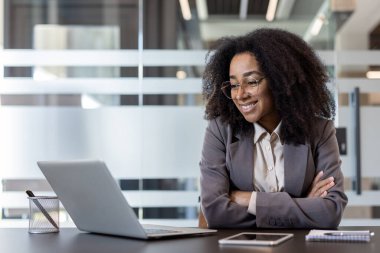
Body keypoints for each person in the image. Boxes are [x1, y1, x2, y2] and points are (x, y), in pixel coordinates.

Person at [199, 28, 348, 229]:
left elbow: (331, 212)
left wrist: (250, 200)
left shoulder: (319, 130)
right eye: (234, 85)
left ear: (280, 80)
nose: (240, 95)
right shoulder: (220, 131)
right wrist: (303, 205)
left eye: (251, 82)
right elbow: (216, 212)